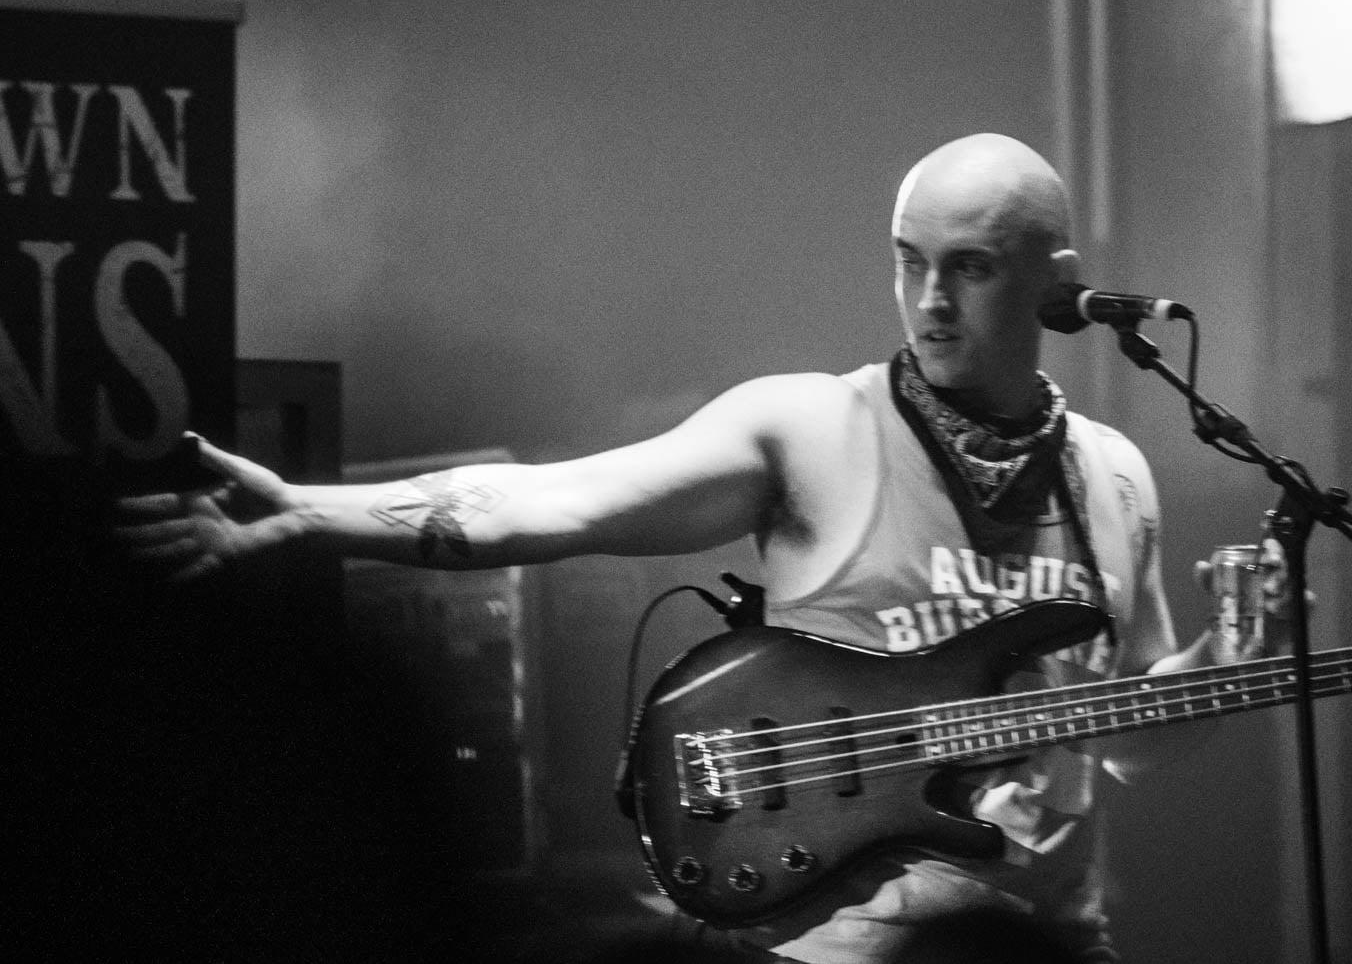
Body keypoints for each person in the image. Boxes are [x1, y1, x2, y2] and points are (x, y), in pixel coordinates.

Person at [116, 132, 1276, 963]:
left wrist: (1228, 661)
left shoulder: (1113, 474)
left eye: (968, 266)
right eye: (907, 258)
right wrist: (311, 510)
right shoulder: (811, 427)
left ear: (1056, 287)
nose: (927, 298)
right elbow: (548, 503)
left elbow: (1131, 742)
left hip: (1053, 940)